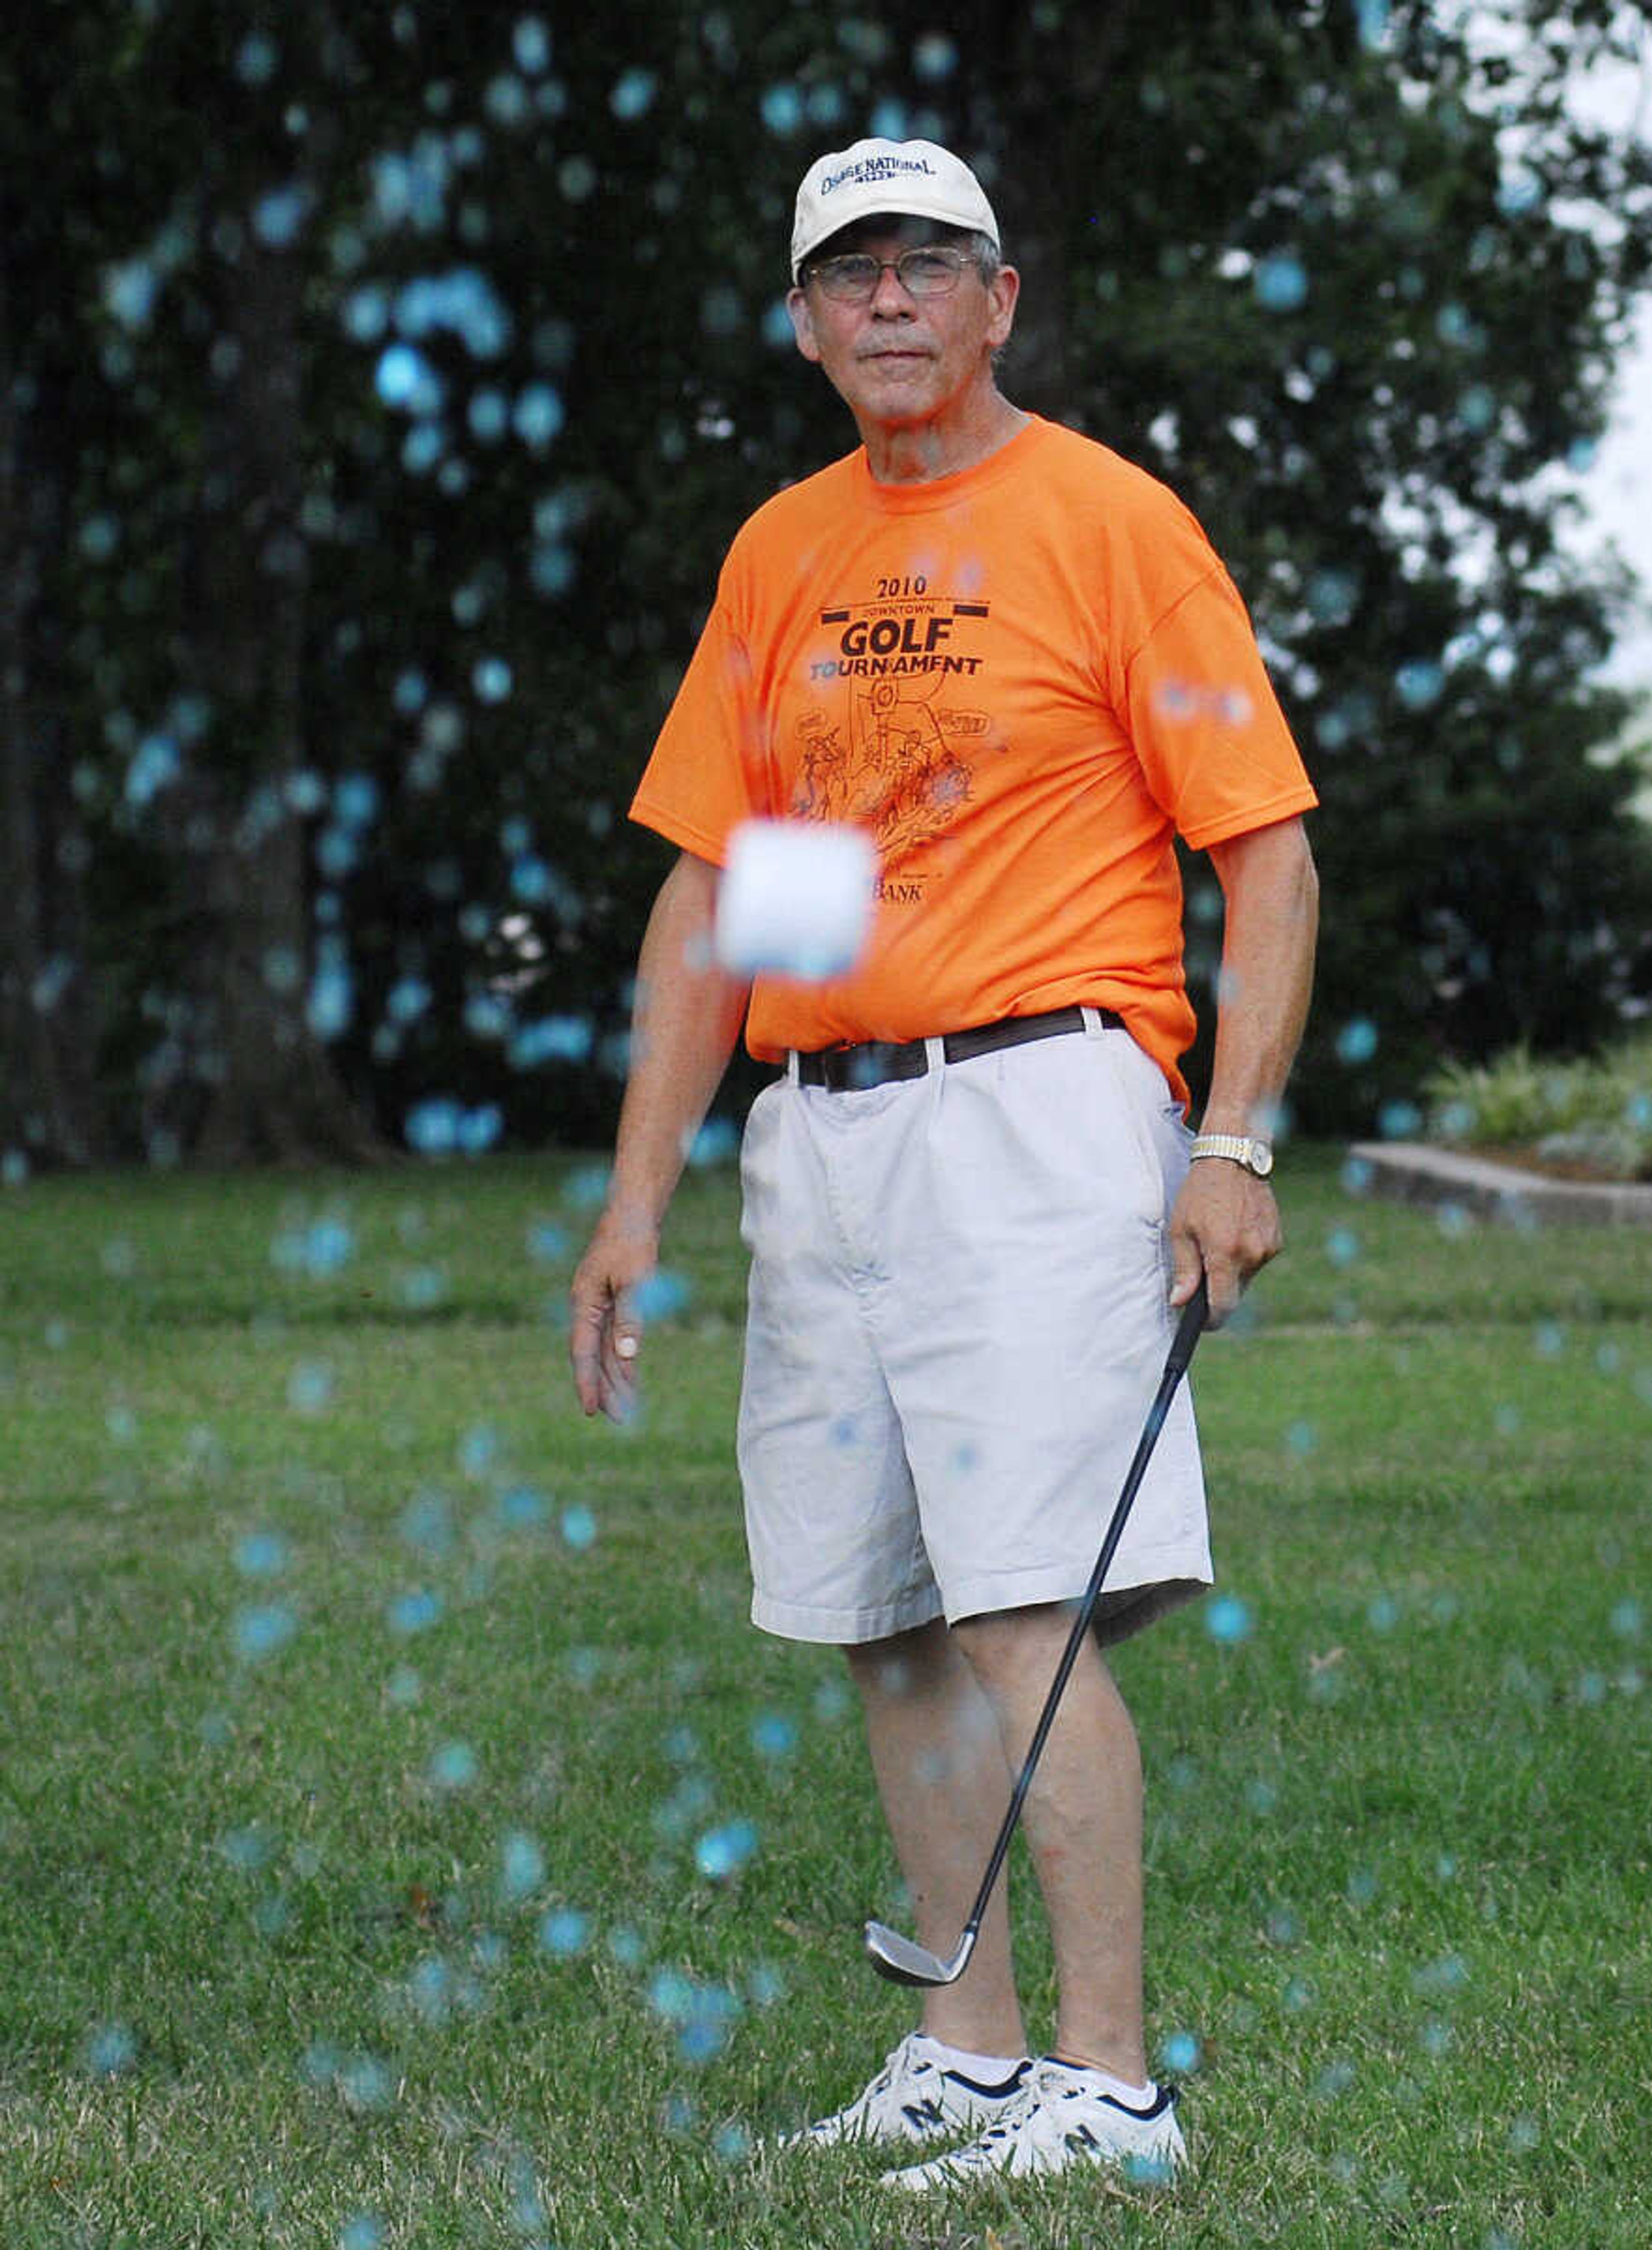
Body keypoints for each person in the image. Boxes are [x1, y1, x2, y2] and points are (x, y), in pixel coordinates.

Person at [570, 136, 1318, 2195]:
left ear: (1002, 299)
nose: (890, 298)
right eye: (849, 272)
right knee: (883, 1616)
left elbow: (1262, 848)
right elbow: (732, 896)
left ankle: (1110, 2087)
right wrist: (641, 1194)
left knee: (1020, 1613)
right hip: (826, 1134)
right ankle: (963, 2059)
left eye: (930, 262)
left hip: (1038, 1109)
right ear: (806, 324)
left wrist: (1230, 1137)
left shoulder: (1106, 520)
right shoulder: (785, 552)